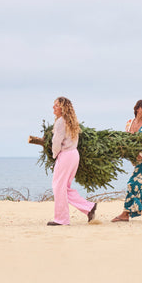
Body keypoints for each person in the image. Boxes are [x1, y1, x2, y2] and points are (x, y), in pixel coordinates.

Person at [47, 96, 97, 226]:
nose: (54, 107)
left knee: (58, 187)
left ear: (63, 107)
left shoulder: (60, 122)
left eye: (56, 105)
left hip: (65, 155)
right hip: (74, 154)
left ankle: (62, 219)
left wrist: (54, 155)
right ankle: (88, 207)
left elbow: (56, 142)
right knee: (63, 187)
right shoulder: (72, 121)